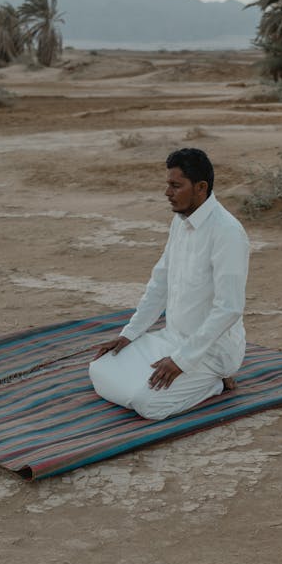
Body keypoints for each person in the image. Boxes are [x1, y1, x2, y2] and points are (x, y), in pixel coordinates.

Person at [88, 148, 249, 420]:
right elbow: (159, 284)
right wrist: (130, 333)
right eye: (167, 184)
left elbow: (229, 308)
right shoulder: (179, 222)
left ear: (200, 187)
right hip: (171, 340)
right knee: (100, 366)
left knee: (147, 403)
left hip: (211, 352)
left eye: (175, 186)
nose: (167, 192)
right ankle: (182, 376)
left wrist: (182, 361)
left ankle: (217, 382)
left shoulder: (227, 233)